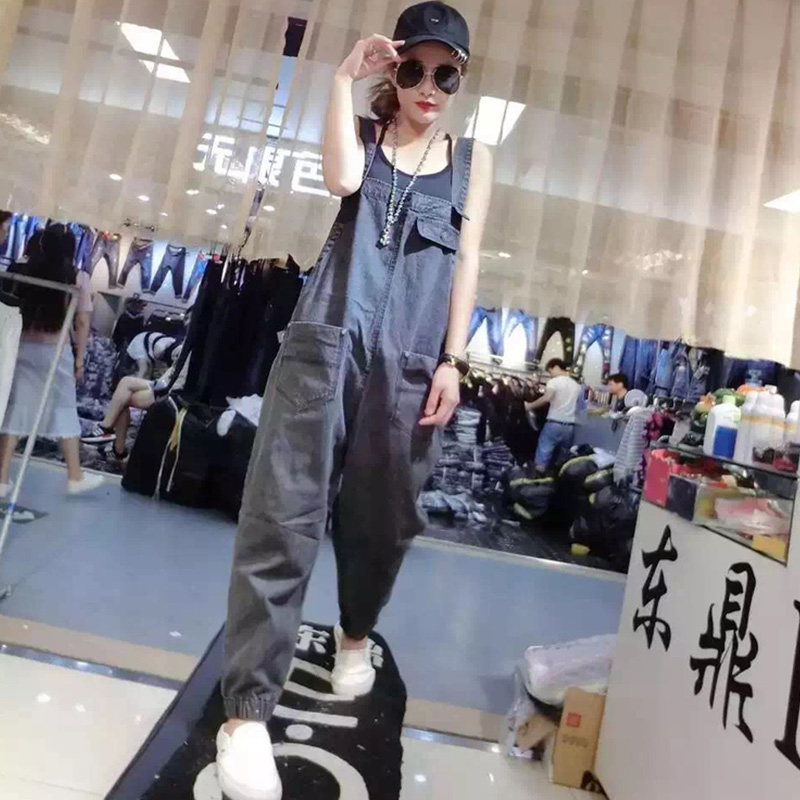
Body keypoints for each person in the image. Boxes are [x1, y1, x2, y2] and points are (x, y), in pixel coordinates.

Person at [213, 4, 492, 799]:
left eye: (446, 73)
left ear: (460, 79)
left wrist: (454, 359)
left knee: (384, 518)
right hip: (325, 346)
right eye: (415, 68)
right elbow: (340, 180)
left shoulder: (473, 161)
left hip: (411, 364)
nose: (430, 86)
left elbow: (467, 260)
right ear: (394, 69)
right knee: (282, 515)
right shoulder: (365, 139)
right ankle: (245, 715)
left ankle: (355, 633)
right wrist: (340, 78)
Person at [0, 226, 103, 497]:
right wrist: (79, 360)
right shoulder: (78, 277)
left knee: (16, 408)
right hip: (55, 351)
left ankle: (2, 478)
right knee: (64, 408)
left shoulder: (25, 270)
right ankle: (75, 476)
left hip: (21, 346)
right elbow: (82, 321)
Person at [80, 343, 189, 460]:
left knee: (124, 393)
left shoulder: (194, 349)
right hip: (164, 384)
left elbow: (179, 376)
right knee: (123, 393)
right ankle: (116, 446)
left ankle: (108, 431)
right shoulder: (186, 345)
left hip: (171, 390)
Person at [526, 358, 581, 473]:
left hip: (554, 424)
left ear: (556, 367)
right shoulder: (576, 385)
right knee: (562, 461)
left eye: (550, 372)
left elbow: (547, 398)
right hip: (570, 428)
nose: (550, 375)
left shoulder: (554, 382)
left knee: (542, 458)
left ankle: (538, 479)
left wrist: (530, 406)